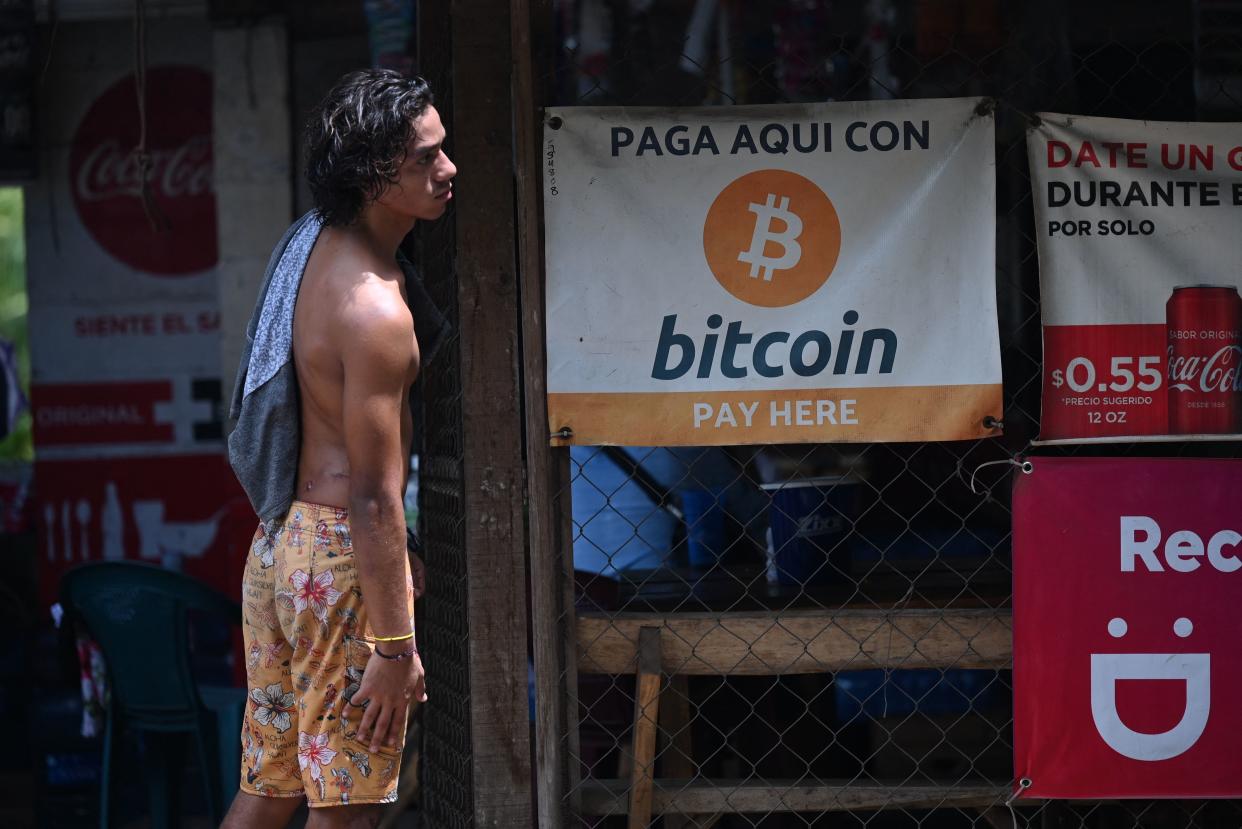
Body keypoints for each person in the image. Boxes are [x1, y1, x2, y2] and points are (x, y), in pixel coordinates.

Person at [222, 69, 455, 828]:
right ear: (374, 174)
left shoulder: (310, 243)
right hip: (336, 563)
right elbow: (372, 494)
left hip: (280, 547)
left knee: (273, 787)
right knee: (346, 810)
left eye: (441, 149)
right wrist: (393, 648)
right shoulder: (377, 313)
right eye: (425, 158)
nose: (446, 169)